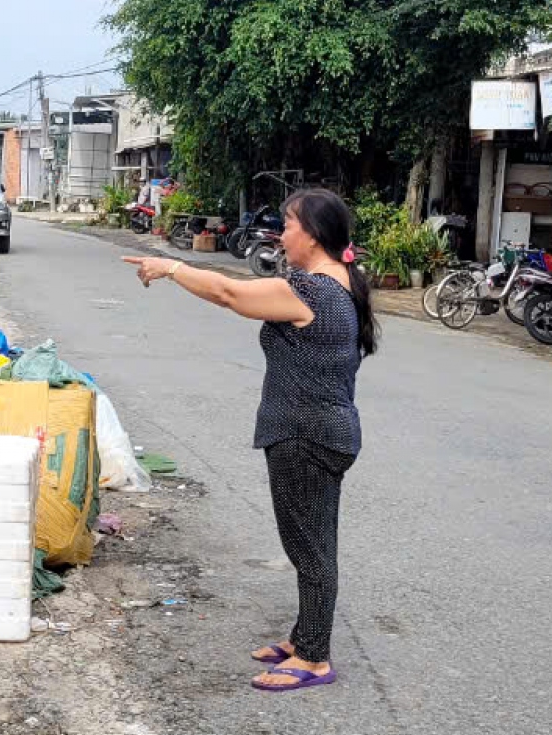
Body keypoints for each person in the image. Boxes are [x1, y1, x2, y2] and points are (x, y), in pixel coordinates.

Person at [122, 188, 377, 693]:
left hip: (307, 434)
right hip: (319, 431)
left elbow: (229, 294)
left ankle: (314, 657)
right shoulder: (336, 283)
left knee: (311, 550)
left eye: (288, 224)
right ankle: (305, 636)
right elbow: (238, 287)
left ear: (314, 234)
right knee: (310, 543)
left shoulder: (315, 293)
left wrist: (170, 268)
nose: (282, 234)